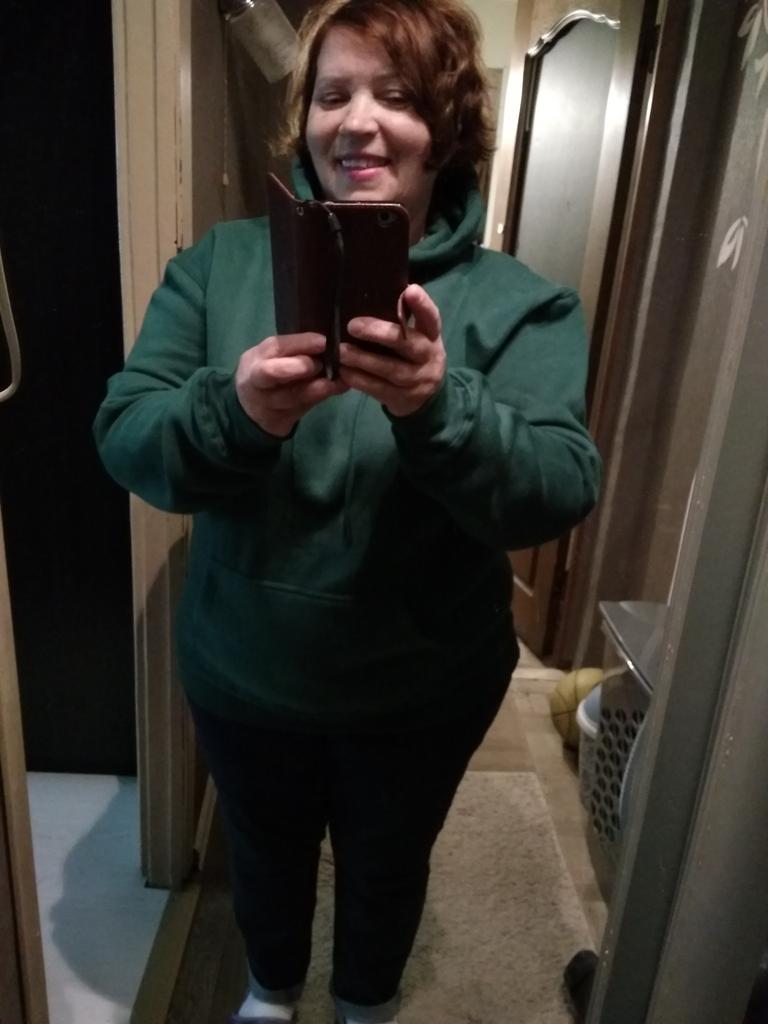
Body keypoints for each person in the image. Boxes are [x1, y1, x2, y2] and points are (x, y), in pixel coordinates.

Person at [94, 0, 602, 1021]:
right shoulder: (220, 265)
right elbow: (127, 436)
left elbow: (557, 488)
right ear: (306, 119)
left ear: (444, 128)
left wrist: (437, 405)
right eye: (333, 95)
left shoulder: (526, 304)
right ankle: (270, 989)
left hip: (423, 689)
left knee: (387, 866)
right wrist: (235, 410)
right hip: (245, 670)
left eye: (396, 95)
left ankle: (365, 1001)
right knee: (261, 853)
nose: (357, 121)